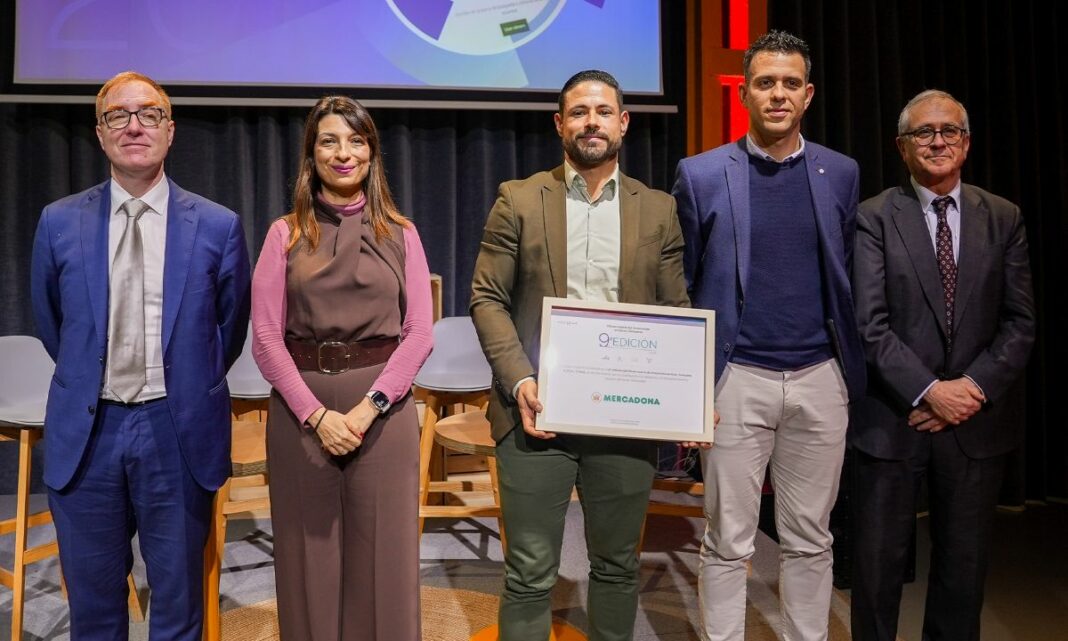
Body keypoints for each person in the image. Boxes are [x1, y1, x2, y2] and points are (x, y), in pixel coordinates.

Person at [469, 69, 693, 641]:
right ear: (559, 124)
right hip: (534, 414)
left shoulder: (659, 209)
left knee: (617, 568)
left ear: (623, 123)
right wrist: (520, 382)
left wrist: (688, 399)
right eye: (577, 112)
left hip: (625, 418)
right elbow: (487, 298)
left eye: (602, 112)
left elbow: (675, 312)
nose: (590, 122)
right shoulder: (518, 199)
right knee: (529, 572)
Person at [29, 71, 251, 639]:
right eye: (118, 116)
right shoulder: (58, 221)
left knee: (178, 609)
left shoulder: (218, 226)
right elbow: (53, 323)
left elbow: (227, 331)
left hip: (175, 432)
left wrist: (182, 383)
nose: (134, 126)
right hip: (89, 430)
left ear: (170, 131)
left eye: (148, 114)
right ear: (100, 134)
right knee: (95, 608)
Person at [671, 31, 867, 641]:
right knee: (728, 539)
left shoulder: (841, 173)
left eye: (789, 84)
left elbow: (849, 277)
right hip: (736, 381)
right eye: (764, 82)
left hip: (820, 379)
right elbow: (685, 285)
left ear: (807, 95)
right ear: (744, 93)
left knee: (811, 538)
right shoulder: (700, 175)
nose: (777, 94)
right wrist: (694, 386)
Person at [850, 89, 1035, 641]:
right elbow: (869, 323)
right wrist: (930, 391)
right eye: (923, 133)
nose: (937, 142)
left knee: (963, 573)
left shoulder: (1003, 217)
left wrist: (968, 391)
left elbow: (1020, 322)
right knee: (877, 571)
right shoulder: (874, 217)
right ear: (901, 147)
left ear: (967, 142)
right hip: (892, 420)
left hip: (975, 425)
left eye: (949, 131)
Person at [250, 95, 433, 641]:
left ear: (372, 154)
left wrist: (367, 408)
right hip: (301, 415)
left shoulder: (402, 233)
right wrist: (316, 416)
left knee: (386, 560)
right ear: (312, 154)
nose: (343, 153)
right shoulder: (283, 234)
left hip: (383, 414)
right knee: (309, 560)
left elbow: (419, 333)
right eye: (329, 140)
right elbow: (264, 338)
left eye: (356, 141)